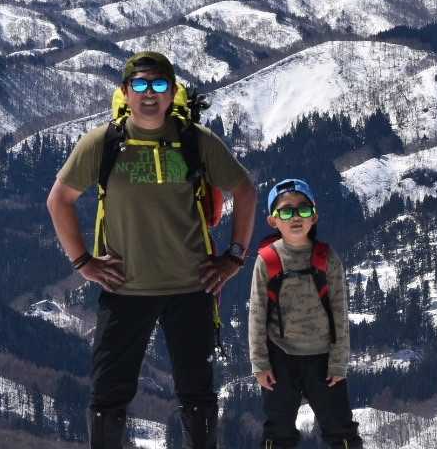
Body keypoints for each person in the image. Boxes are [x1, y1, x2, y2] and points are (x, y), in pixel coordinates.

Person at [46, 51, 258, 449]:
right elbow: (59, 199)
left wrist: (234, 256)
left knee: (198, 396)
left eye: (159, 85)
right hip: (125, 288)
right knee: (108, 397)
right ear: (125, 92)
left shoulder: (194, 141)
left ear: (172, 92)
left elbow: (245, 190)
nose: (149, 93)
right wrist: (83, 262)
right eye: (140, 85)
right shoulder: (104, 143)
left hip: (191, 287)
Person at [250, 178, 363, 448]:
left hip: (323, 359)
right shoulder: (267, 260)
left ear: (314, 216)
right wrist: (260, 364)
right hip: (280, 357)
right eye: (286, 211)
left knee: (341, 430)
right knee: (278, 433)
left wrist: (339, 363)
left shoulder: (328, 258)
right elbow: (256, 313)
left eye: (302, 209)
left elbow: (340, 314)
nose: (295, 216)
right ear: (273, 221)